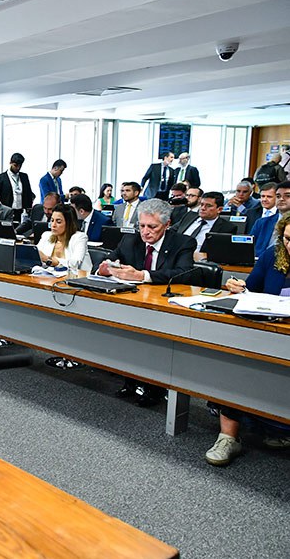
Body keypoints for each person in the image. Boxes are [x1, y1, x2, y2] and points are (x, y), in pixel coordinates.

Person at [206, 213, 290, 465]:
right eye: (287, 239)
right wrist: (241, 289)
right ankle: (228, 437)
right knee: (234, 361)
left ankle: (276, 426)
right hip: (266, 332)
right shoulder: (273, 255)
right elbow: (252, 289)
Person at [97, 198, 196, 407]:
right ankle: (130, 381)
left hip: (164, 306)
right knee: (126, 335)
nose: (145, 232)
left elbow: (184, 274)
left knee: (152, 341)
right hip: (131, 302)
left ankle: (154, 388)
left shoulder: (182, 243)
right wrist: (104, 269)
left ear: (167, 225)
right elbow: (111, 260)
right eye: (141, 226)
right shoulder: (130, 240)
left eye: (152, 227)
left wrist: (143, 275)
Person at [170, 191, 237, 251]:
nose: (203, 208)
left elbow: (221, 252)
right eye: (202, 205)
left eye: (208, 206)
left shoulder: (227, 228)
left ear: (219, 209)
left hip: (200, 261)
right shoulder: (189, 216)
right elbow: (171, 232)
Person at [36, 204, 92, 273]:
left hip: (76, 279)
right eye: (52, 220)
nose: (53, 225)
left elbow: (74, 264)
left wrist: (48, 259)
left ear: (69, 223)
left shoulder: (79, 238)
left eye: (58, 222)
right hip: (49, 278)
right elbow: (36, 258)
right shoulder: (46, 235)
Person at [249, 181, 289, 256]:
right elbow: (248, 247)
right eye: (278, 196)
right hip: (260, 263)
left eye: (287, 196)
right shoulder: (261, 222)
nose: (281, 199)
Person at [0, 152, 34, 221]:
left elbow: (28, 193)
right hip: (6, 211)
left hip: (21, 211)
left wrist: (29, 208)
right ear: (10, 163)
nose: (18, 168)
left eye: (20, 166)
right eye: (15, 165)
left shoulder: (24, 176)